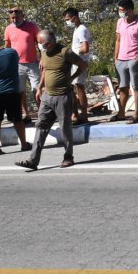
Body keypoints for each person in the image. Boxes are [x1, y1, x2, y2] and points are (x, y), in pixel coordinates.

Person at [15, 30, 87, 170]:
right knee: (41, 126)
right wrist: (40, 87)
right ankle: (33, 160)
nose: (39, 46)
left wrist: (71, 78)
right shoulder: (44, 52)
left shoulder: (65, 52)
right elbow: (44, 70)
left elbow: (83, 66)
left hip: (62, 96)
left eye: (41, 44)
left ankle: (68, 157)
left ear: (50, 43)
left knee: (65, 128)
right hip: (47, 96)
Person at [113, 0, 138, 124]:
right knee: (123, 87)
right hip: (121, 60)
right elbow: (118, 40)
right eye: (119, 10)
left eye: (122, 10)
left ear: (130, 10)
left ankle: (137, 114)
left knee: (136, 87)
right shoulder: (120, 22)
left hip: (134, 60)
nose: (120, 12)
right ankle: (121, 113)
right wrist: (116, 58)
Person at [4, 6, 40, 124]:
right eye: (12, 16)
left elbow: (40, 43)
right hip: (17, 64)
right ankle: (26, 114)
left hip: (32, 63)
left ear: (22, 15)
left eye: (16, 15)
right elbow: (7, 47)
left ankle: (42, 113)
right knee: (20, 91)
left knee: (37, 89)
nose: (14, 18)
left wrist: (43, 59)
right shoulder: (8, 29)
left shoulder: (32, 26)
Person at [63, 7, 91, 124]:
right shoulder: (78, 29)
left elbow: (85, 48)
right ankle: (76, 114)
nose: (67, 22)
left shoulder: (81, 30)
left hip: (80, 61)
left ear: (75, 18)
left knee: (79, 87)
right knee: (74, 87)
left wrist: (73, 53)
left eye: (68, 19)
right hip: (76, 62)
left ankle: (83, 116)